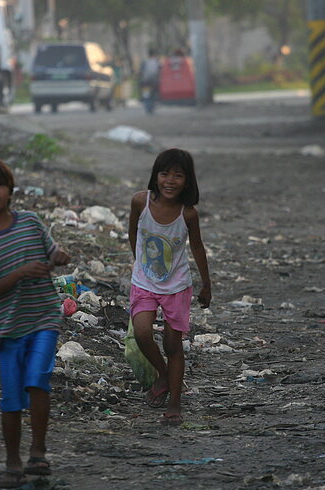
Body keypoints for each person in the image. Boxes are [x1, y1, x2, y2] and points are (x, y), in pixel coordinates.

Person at [0, 156, 70, 489]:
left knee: (38, 381)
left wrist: (58, 256)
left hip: (43, 318)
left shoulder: (31, 223)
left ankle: (38, 452)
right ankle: (12, 460)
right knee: (10, 398)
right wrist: (21, 272)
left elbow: (51, 253)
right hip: (8, 328)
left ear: (10, 189)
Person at [128, 148, 211, 426]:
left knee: (173, 344)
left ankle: (174, 403)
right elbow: (132, 234)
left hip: (176, 286)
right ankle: (162, 374)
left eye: (178, 175)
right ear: (156, 176)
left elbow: (197, 248)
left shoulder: (188, 214)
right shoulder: (140, 202)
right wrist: (139, 265)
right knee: (141, 333)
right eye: (165, 173)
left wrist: (206, 285)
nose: (170, 181)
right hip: (144, 282)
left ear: (188, 181)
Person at [139, 48, 161, 114]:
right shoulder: (156, 62)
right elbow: (159, 72)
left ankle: (147, 108)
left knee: (146, 95)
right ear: (154, 54)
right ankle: (151, 108)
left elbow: (141, 72)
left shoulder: (145, 62)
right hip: (154, 82)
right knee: (153, 95)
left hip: (145, 81)